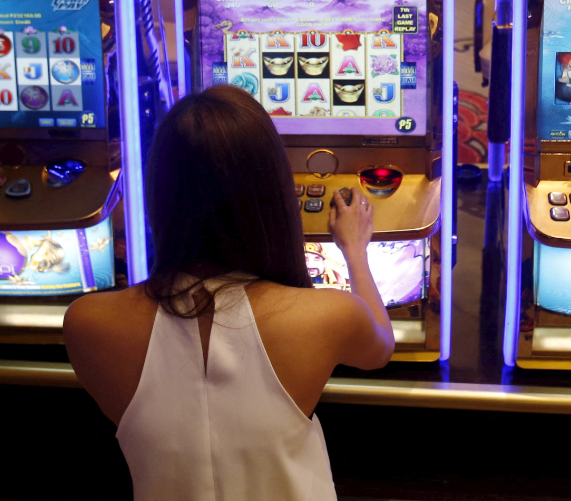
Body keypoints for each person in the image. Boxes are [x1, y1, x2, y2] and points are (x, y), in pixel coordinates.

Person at [64, 85, 394, 500]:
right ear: (272, 194)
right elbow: (380, 347)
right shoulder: (331, 315)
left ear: (159, 194)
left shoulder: (87, 321)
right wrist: (355, 249)